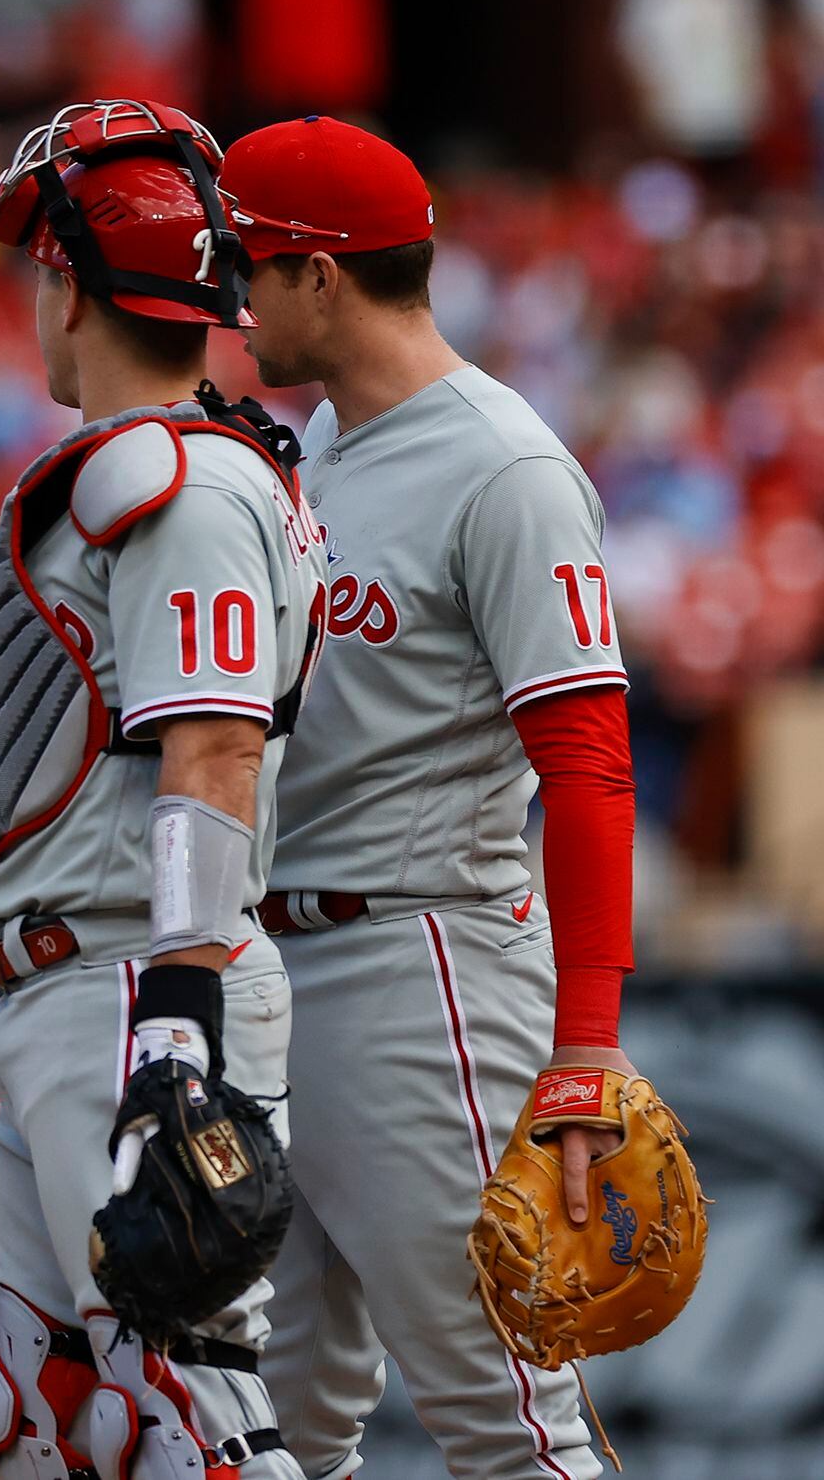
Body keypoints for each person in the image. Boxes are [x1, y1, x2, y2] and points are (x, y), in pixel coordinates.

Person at [219, 115, 621, 1480]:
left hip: (420, 962)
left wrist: (588, 1047)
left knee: (508, 1425)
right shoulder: (314, 451)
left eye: (252, 263)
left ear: (323, 276)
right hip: (276, 966)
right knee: (278, 1419)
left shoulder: (500, 464)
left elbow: (588, 763)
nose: (234, 293)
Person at [0, 99, 325, 1479]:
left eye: (40, 263)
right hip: (67, 982)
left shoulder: (181, 479)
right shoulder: (169, 467)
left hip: (137, 983)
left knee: (182, 1415)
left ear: (71, 276)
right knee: (43, 1420)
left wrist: (176, 1021)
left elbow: (213, 750)